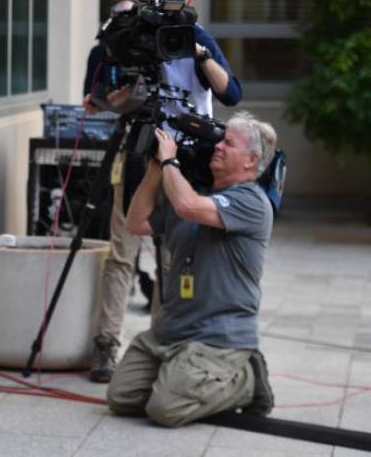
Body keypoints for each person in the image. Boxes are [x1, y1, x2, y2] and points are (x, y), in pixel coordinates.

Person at [85, 0, 242, 383]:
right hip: (141, 150)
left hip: (188, 157)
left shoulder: (200, 37)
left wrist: (199, 53)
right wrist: (128, 86)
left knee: (174, 257)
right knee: (122, 251)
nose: (169, 5)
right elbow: (106, 99)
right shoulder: (139, 38)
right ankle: (106, 345)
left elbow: (232, 95)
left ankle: (163, 345)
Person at [107, 111, 277, 426]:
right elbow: (135, 223)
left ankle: (246, 382)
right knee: (121, 398)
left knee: (165, 410)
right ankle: (181, 375)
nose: (218, 147)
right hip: (170, 331)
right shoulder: (191, 192)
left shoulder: (252, 202)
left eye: (229, 144)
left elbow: (188, 207)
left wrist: (171, 162)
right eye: (220, 141)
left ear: (251, 161)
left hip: (218, 337)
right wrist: (156, 168)